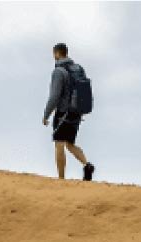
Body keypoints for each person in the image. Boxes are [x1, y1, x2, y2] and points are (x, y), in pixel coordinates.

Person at [42, 43, 95, 181]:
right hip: (77, 112)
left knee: (59, 144)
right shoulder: (78, 68)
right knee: (70, 144)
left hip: (63, 113)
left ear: (57, 54)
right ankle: (87, 165)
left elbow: (54, 96)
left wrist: (46, 115)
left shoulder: (58, 71)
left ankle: (61, 180)